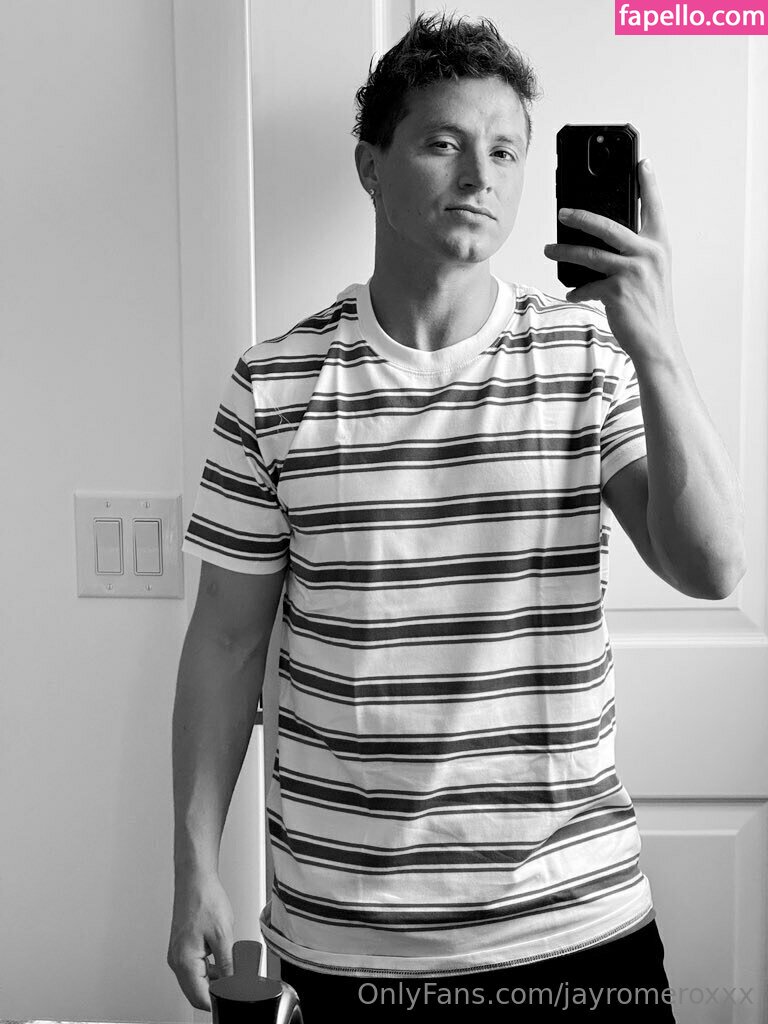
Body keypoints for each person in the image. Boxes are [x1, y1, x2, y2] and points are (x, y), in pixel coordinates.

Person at [167, 12, 745, 1022]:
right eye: (444, 142)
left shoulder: (587, 359)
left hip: (574, 925)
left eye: (506, 151)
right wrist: (194, 869)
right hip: (344, 935)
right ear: (370, 165)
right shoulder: (274, 383)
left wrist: (652, 338)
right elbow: (224, 643)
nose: (480, 176)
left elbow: (712, 569)